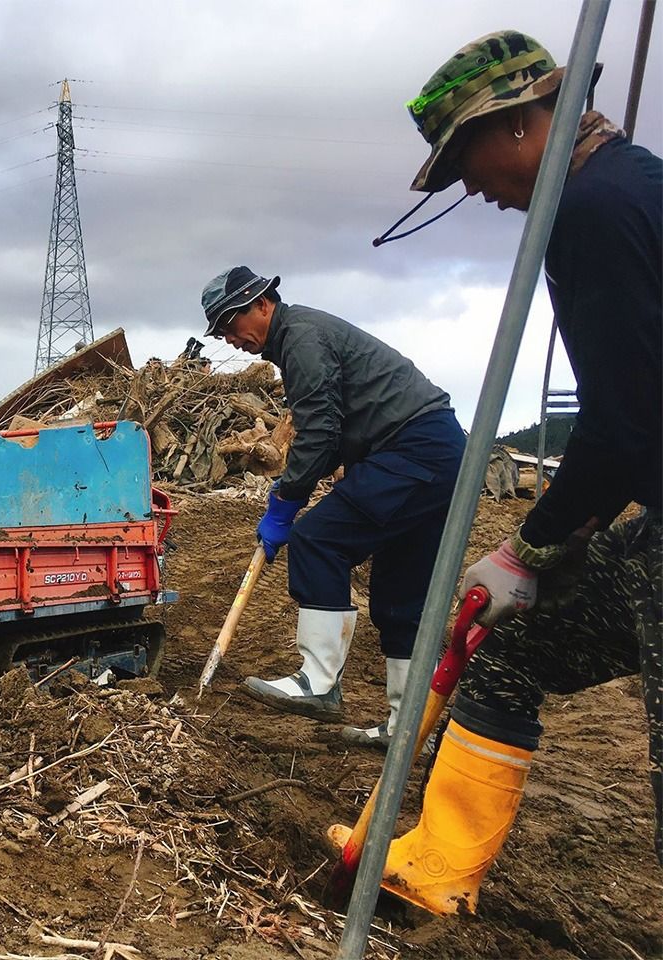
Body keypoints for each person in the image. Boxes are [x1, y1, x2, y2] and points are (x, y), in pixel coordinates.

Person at [333, 30, 661, 916]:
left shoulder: (598, 211)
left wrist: (528, 546)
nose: (470, 188)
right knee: (510, 647)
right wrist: (565, 540)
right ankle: (431, 866)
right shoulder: (621, 190)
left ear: (520, 123)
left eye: (465, 161)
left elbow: (624, 427)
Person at [200, 266, 465, 746]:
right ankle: (409, 729)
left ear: (263, 304)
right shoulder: (302, 336)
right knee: (399, 595)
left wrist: (285, 502)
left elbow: (320, 430)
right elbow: (337, 426)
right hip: (437, 451)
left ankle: (318, 682)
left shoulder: (300, 337)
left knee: (317, 539)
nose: (231, 338)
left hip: (412, 449)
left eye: (232, 324)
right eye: (221, 332)